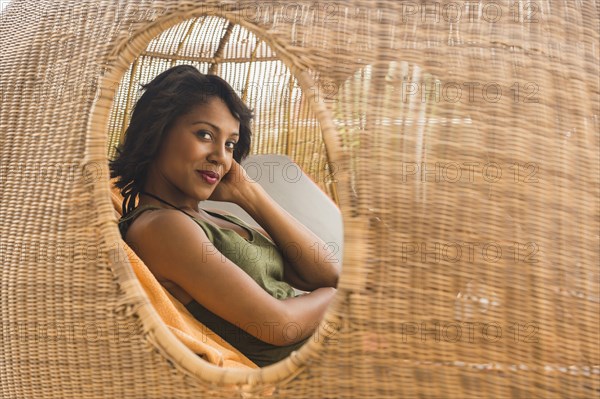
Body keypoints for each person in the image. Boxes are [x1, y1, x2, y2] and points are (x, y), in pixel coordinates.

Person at [110, 65, 339, 367]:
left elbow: (324, 274)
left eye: (230, 144)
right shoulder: (162, 227)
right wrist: (340, 297)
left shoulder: (209, 215)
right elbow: (281, 325)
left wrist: (250, 196)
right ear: (158, 132)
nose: (220, 156)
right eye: (204, 134)